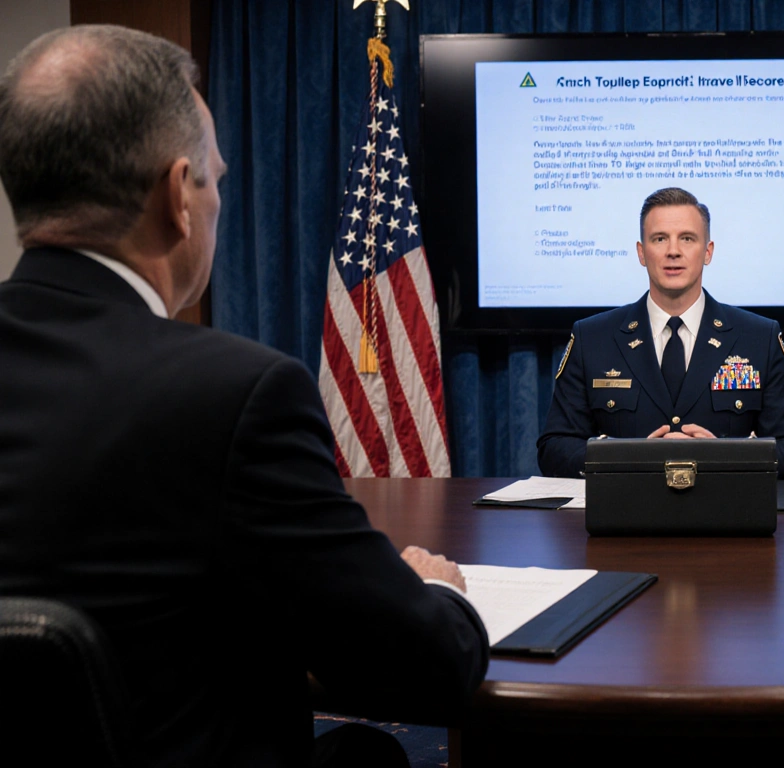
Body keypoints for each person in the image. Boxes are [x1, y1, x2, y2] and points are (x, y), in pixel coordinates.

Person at [0, 26, 488, 767]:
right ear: (178, 197)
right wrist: (436, 592)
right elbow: (424, 666)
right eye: (216, 180)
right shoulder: (231, 396)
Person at [538, 187, 784, 479]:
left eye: (687, 238)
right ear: (641, 252)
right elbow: (554, 449)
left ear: (707, 252)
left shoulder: (759, 337)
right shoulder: (592, 338)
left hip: (728, 518)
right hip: (626, 517)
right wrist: (630, 459)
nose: (673, 251)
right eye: (660, 239)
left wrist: (725, 458)